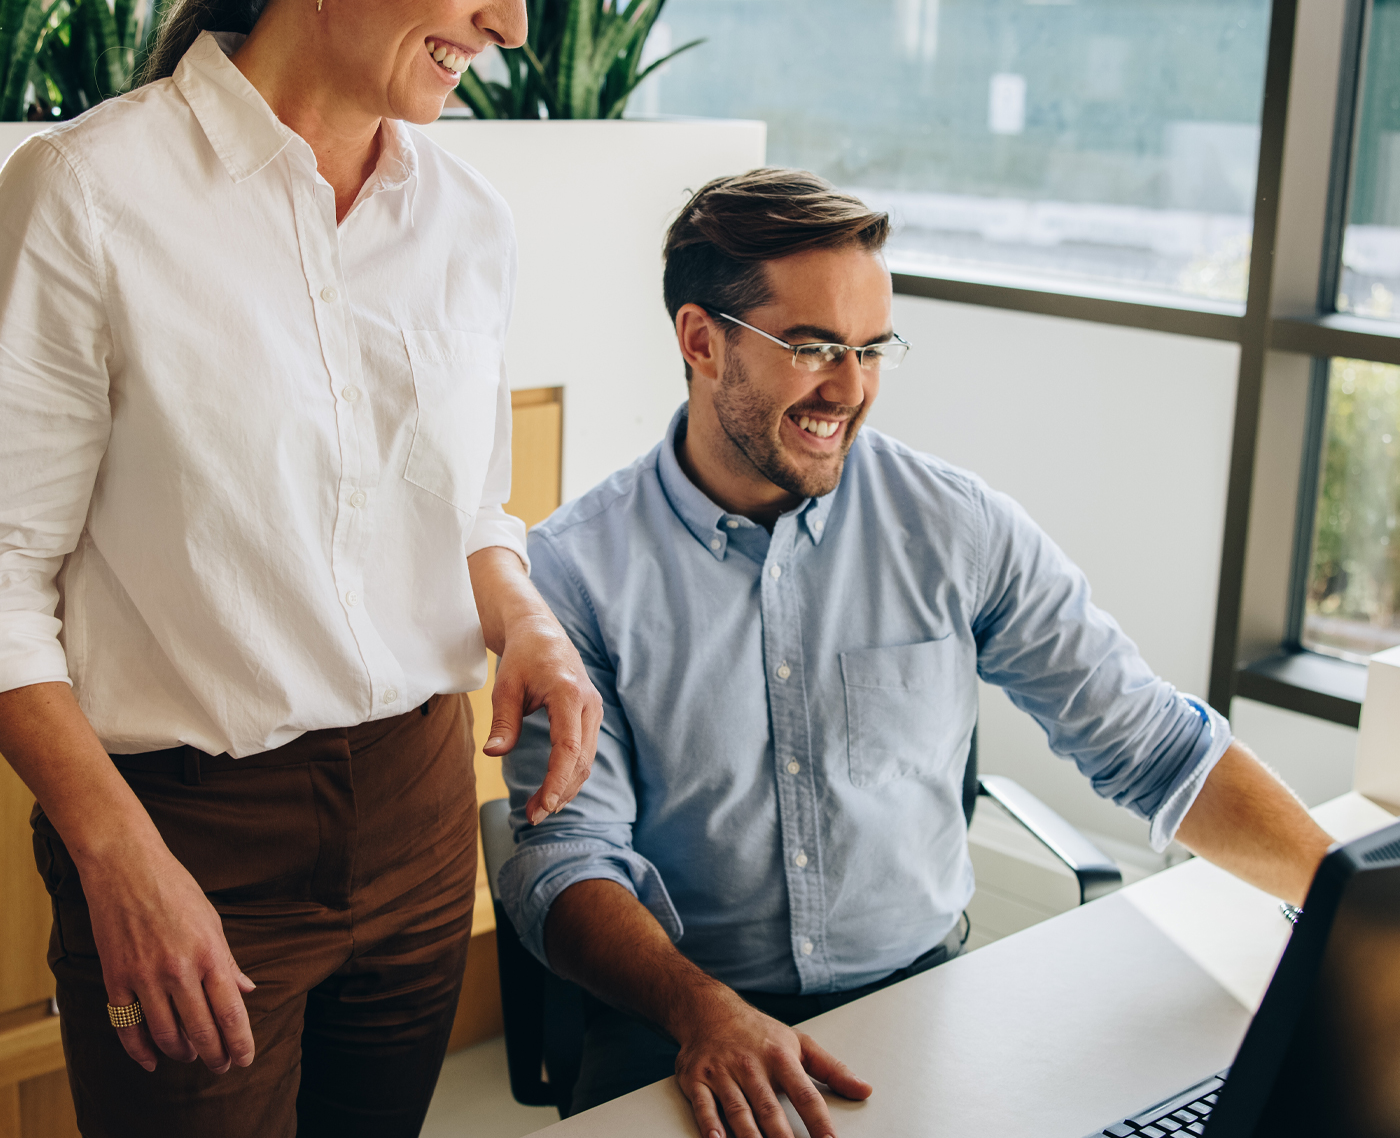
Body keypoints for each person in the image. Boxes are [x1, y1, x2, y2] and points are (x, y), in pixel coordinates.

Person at [0, 0, 602, 1138]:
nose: (510, 20)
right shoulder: (87, 201)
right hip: (187, 834)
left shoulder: (468, 225)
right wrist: (116, 859)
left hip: (416, 810)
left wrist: (520, 618)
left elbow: (459, 506)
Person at [499, 168, 1336, 1138]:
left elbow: (1151, 742)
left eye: (869, 347)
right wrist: (697, 1008)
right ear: (700, 340)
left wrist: (1343, 904)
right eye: (812, 347)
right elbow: (565, 859)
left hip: (920, 1000)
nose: (848, 390)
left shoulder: (952, 525)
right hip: (675, 1020)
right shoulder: (572, 570)